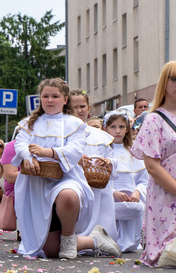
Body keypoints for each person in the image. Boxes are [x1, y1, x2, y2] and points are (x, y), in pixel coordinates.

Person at [11, 78, 120, 259]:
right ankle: (94, 240)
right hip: (37, 185)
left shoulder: (73, 123)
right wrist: (28, 157)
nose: (50, 100)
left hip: (66, 178)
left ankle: (69, 237)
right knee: (52, 251)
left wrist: (47, 152)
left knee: (68, 195)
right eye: (45, 96)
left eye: (55, 96)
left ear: (65, 99)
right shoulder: (29, 123)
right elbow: (21, 143)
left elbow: (75, 151)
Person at [131, 61, 176, 266]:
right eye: (175, 79)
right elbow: (152, 166)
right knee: (169, 253)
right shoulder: (153, 119)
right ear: (164, 82)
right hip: (167, 194)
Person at [70, 89, 118, 245]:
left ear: (89, 109)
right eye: (74, 107)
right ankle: (79, 241)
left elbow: (113, 159)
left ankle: (100, 240)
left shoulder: (98, 135)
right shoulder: (64, 133)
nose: (79, 110)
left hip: (98, 186)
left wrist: (108, 162)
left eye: (82, 106)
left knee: (100, 217)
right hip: (75, 184)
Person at [104, 111, 147, 253]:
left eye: (122, 127)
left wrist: (137, 192)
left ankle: (131, 242)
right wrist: (113, 192)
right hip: (110, 200)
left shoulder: (134, 151)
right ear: (106, 128)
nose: (118, 131)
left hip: (131, 201)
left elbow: (144, 179)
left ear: (127, 129)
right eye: (113, 127)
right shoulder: (103, 151)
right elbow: (97, 180)